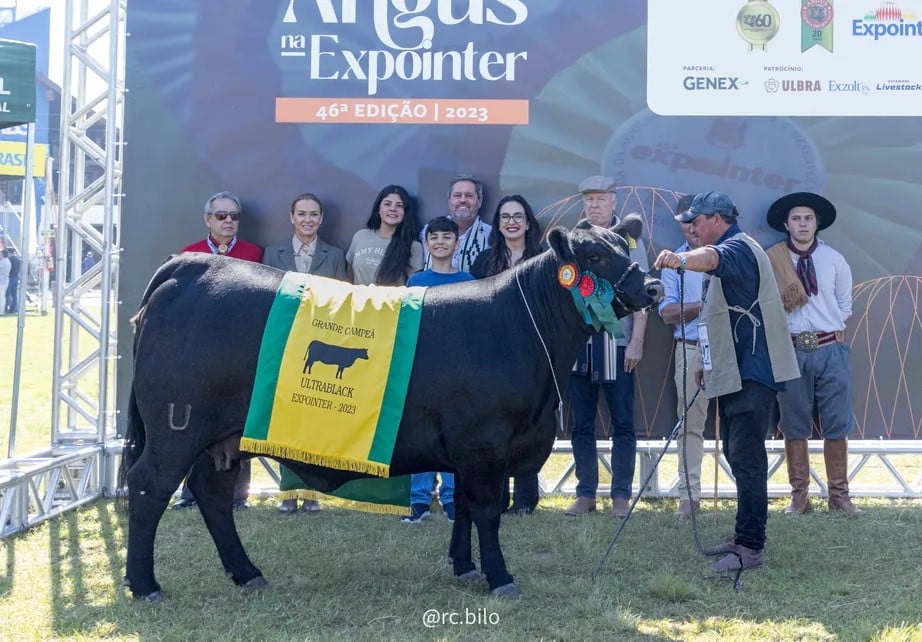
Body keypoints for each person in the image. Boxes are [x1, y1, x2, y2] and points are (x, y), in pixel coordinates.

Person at [654, 191, 799, 572]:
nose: (692, 228)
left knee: (747, 458)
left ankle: (751, 547)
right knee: (738, 454)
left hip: (753, 371)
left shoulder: (735, 248)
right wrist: (710, 362)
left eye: (697, 221)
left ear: (716, 219)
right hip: (736, 369)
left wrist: (680, 258)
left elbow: (710, 259)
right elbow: (719, 315)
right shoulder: (735, 246)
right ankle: (743, 534)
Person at [765, 192, 861, 516]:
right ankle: (799, 497)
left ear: (817, 223)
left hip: (830, 347)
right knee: (793, 423)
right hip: (790, 349)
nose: (802, 224)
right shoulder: (772, 259)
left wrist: (825, 328)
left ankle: (839, 496)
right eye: (796, 218)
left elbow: (844, 306)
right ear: (785, 223)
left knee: (837, 422)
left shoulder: (834, 259)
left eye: (808, 218)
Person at [172, 191, 263, 511]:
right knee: (196, 422)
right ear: (207, 219)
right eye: (221, 216)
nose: (228, 222)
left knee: (240, 422)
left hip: (241, 354)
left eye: (234, 216)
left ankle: (239, 494)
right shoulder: (188, 255)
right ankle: (191, 493)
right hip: (200, 354)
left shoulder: (254, 254)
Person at [565, 176, 649, 518]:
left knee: (623, 423)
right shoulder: (571, 240)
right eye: (589, 199)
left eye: (600, 199)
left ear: (614, 201)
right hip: (580, 342)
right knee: (581, 422)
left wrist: (638, 342)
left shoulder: (630, 239)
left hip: (618, 341)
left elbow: (643, 293)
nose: (594, 205)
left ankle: (620, 496)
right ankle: (585, 493)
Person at [263, 192, 347, 514]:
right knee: (284, 420)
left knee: (315, 418)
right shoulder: (272, 254)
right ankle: (288, 492)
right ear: (291, 217)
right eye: (302, 214)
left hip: (321, 347)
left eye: (314, 214)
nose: (308, 219)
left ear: (321, 219)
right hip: (285, 346)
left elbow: (344, 304)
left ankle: (311, 491)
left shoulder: (336, 256)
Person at [471, 195, 543, 515]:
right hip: (492, 356)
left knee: (527, 425)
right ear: (498, 225)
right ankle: (496, 498)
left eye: (518, 216)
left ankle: (526, 500)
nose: (511, 222)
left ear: (528, 222)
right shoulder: (483, 262)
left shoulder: (545, 259)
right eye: (505, 217)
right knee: (494, 427)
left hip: (533, 355)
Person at [401, 216, 475, 523]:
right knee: (421, 435)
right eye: (435, 237)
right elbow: (406, 326)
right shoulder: (416, 282)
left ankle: (451, 499)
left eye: (447, 237)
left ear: (457, 244)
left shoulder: (469, 282)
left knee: (455, 436)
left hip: (458, 374)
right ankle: (419, 500)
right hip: (423, 371)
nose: (441, 242)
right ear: (427, 243)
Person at [657, 194, 710, 520]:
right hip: (690, 348)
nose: (692, 228)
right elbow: (668, 313)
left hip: (728, 349)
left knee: (738, 422)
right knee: (690, 424)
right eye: (685, 223)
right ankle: (689, 495)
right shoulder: (673, 262)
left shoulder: (728, 257)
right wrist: (705, 308)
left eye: (697, 220)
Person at [347, 185, 423, 286]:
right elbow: (349, 278)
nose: (393, 209)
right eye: (387, 204)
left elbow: (413, 289)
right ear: (378, 209)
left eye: (399, 205)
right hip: (358, 301)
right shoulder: (360, 236)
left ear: (405, 212)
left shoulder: (414, 247)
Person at [422, 174, 492, 272]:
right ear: (449, 200)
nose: (463, 200)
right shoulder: (429, 231)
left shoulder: (490, 235)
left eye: (469, 195)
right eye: (457, 195)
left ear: (480, 201)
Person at [5, 247, 20, 313]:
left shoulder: (10, 259)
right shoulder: (17, 259)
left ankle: (6, 307)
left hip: (10, 277)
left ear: (9, 252)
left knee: (7, 293)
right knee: (14, 294)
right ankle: (13, 308)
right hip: (16, 277)